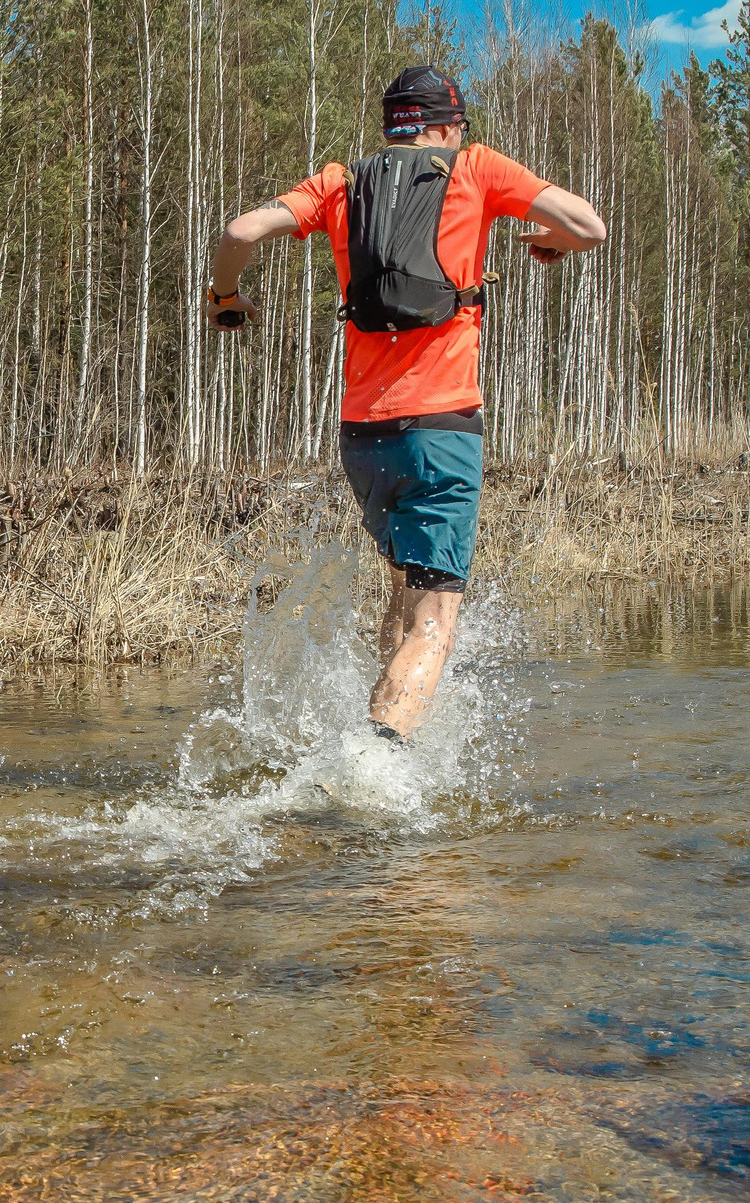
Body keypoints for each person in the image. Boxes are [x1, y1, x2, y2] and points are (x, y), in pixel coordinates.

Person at [203, 66, 606, 744]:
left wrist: (225, 297)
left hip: (363, 436)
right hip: (442, 430)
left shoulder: (342, 182)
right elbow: (590, 226)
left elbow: (240, 231)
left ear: (394, 124)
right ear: (448, 125)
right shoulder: (475, 167)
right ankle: (379, 764)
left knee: (400, 589)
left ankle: (374, 729)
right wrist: (550, 243)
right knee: (436, 619)